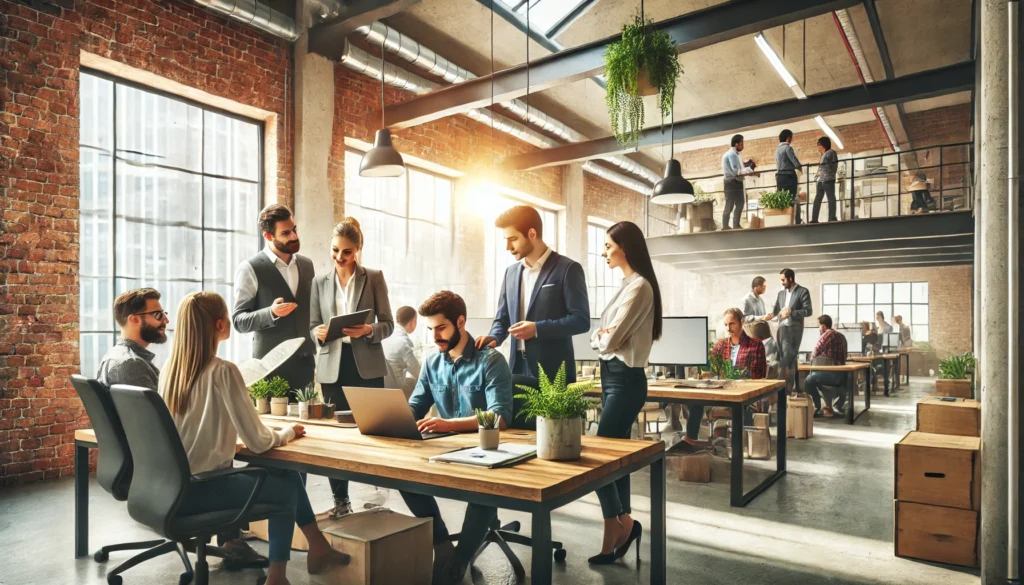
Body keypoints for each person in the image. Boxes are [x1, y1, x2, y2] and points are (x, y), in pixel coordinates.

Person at [158, 292, 347, 585]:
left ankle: (318, 546)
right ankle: (277, 577)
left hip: (172, 487)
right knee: (286, 490)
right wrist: (288, 431)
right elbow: (259, 442)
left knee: (281, 470)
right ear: (221, 324)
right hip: (205, 488)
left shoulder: (170, 371)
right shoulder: (222, 371)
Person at [403, 291, 512, 585]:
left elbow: (499, 417)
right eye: (431, 329)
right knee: (402, 476)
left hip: (486, 450)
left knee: (483, 489)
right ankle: (442, 545)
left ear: (460, 321)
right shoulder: (432, 362)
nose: (436, 336)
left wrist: (448, 424)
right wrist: (394, 418)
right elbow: (416, 405)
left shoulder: (490, 360)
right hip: (446, 449)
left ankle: (459, 562)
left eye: (441, 328)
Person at [310, 218, 394, 518]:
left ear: (358, 250)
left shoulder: (373, 278)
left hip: (366, 366)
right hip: (333, 366)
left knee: (373, 432)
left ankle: (380, 492)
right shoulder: (319, 283)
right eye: (335, 251)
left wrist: (368, 331)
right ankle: (341, 501)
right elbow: (312, 326)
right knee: (336, 438)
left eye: (346, 252)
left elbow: (388, 324)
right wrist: (318, 333)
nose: (339, 258)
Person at [588, 221, 661, 566]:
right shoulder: (627, 284)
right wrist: (602, 336)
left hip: (625, 378)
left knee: (600, 455)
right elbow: (599, 335)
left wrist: (604, 337)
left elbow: (609, 340)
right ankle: (615, 530)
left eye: (607, 245)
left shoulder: (641, 287)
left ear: (624, 247)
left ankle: (625, 523)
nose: (604, 251)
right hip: (612, 376)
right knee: (615, 458)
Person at [477, 205, 590, 382]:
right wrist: (494, 337)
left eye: (513, 239)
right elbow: (503, 318)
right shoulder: (510, 273)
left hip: (554, 373)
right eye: (506, 240)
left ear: (532, 233)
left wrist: (537, 329)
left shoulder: (568, 269)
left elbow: (581, 321)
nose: (508, 247)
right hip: (516, 369)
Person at [232, 204, 316, 397]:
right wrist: (270, 313)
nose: (294, 236)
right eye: (285, 233)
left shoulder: (306, 265)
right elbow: (239, 321)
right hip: (269, 370)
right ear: (268, 236)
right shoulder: (250, 268)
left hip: (305, 366)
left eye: (294, 229)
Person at [678, 308, 766, 453]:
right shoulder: (720, 345)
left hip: (744, 392)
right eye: (726, 325)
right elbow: (711, 372)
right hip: (721, 391)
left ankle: (739, 446)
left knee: (743, 405)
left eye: (732, 324)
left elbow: (759, 377)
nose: (728, 328)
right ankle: (690, 440)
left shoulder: (756, 345)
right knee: (695, 400)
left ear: (742, 322)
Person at [97, 288, 168, 390]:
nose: (166, 320)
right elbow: (155, 406)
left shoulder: (114, 355)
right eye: (158, 314)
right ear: (134, 319)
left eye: (164, 313)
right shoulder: (131, 365)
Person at [767, 268, 813, 392]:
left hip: (794, 329)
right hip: (781, 328)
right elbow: (776, 310)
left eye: (783, 280)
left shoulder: (803, 291)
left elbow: (808, 311)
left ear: (790, 278)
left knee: (787, 358)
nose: (782, 282)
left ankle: (783, 390)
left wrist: (791, 312)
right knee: (785, 357)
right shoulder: (781, 294)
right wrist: (770, 315)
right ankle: (792, 388)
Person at [804, 315, 849, 417]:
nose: (818, 329)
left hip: (831, 374)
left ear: (823, 326)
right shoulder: (840, 336)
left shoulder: (827, 334)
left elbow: (815, 353)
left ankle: (818, 407)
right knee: (815, 376)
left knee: (809, 380)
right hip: (840, 374)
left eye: (818, 326)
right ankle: (827, 406)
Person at [383, 305, 421, 397]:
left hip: (382, 385)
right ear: (413, 322)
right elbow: (417, 372)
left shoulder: (386, 335)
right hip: (396, 389)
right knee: (418, 383)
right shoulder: (404, 342)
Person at [721, 134, 758, 230]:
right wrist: (750, 169)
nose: (743, 145)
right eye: (742, 143)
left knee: (740, 203)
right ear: (736, 144)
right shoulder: (732, 155)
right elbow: (736, 171)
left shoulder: (736, 154)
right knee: (730, 205)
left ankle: (735, 224)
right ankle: (725, 226)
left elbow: (740, 170)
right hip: (732, 182)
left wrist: (749, 170)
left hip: (736, 182)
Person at [775, 129, 804, 224]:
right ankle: (793, 221)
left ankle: (784, 221)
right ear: (788, 138)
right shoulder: (788, 148)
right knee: (791, 198)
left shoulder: (777, 150)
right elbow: (794, 161)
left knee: (782, 200)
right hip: (789, 176)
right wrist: (800, 168)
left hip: (779, 177)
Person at [811, 136, 839, 223]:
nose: (818, 147)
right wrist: (816, 177)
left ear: (824, 145)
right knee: (825, 198)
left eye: (819, 145)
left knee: (828, 198)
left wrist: (818, 176)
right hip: (823, 179)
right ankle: (828, 218)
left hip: (827, 179)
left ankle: (830, 217)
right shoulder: (825, 154)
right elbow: (822, 168)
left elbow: (828, 167)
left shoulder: (830, 152)